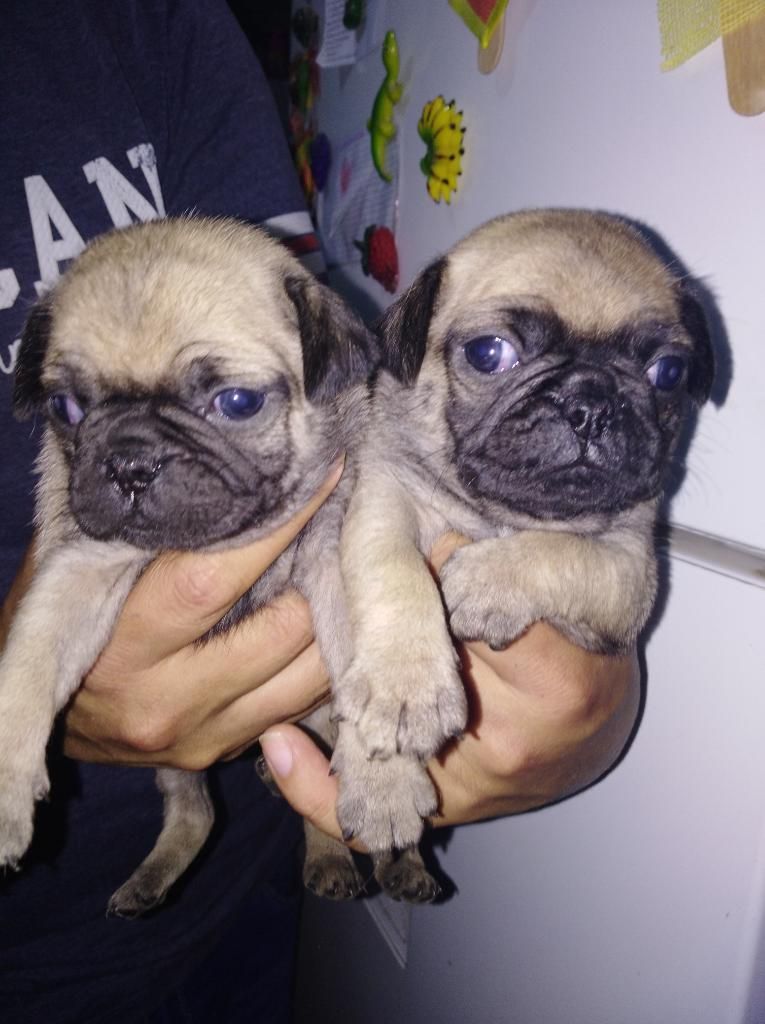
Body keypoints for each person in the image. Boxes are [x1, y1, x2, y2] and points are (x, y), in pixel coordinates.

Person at [0, 1, 639, 1021]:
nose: (131, 459)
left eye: (232, 399)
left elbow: (360, 581)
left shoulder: (149, 30)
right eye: (79, 407)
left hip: (260, 895)